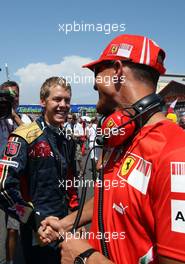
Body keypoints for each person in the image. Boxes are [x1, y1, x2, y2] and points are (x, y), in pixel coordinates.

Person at [39, 35, 185, 264]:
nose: (94, 83)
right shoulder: (122, 138)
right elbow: (112, 197)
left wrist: (85, 258)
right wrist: (66, 223)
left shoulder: (176, 153)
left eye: (97, 72)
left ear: (117, 71)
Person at [0, 76, 79, 264]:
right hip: (38, 227)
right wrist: (33, 220)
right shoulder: (24, 136)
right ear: (43, 101)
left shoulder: (67, 140)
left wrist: (76, 220)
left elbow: (71, 184)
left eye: (67, 100)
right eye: (57, 99)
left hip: (64, 224)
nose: (63, 105)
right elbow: (3, 187)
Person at [0, 81, 32, 264]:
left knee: (16, 223)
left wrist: (14, 116)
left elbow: (32, 137)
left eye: (15, 96)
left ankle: (11, 261)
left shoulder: (24, 119)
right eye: (7, 96)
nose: (12, 99)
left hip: (14, 184)